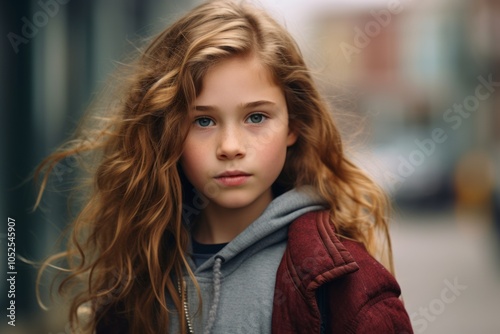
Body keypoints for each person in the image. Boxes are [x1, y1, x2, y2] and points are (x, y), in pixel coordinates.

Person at [35, 0, 413, 333]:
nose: (230, 147)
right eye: (203, 121)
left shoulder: (346, 290)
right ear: (167, 132)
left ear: (293, 125)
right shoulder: (137, 276)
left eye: (256, 117)